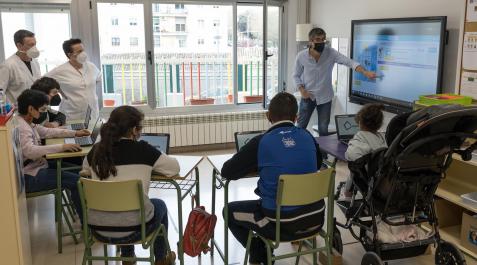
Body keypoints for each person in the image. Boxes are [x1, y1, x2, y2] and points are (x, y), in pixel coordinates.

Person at [221, 92, 324, 265]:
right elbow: (317, 164)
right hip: (315, 218)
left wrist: (258, 163)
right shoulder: (308, 137)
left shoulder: (262, 142)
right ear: (296, 117)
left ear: (268, 116)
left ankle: (260, 253)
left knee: (228, 211)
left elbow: (227, 171)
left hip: (280, 224)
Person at [81, 106, 179, 265]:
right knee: (158, 204)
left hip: (98, 229)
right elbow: (174, 168)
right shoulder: (144, 150)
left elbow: (85, 170)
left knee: (119, 207)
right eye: (140, 128)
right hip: (136, 230)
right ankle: (161, 259)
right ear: (134, 130)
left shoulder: (97, 151)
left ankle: (128, 258)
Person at [17, 89, 90, 221]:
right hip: (30, 176)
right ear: (30, 109)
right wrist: (62, 147)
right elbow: (30, 151)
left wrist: (75, 133)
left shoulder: (28, 123)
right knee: (77, 181)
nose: (43, 112)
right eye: (41, 109)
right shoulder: (22, 127)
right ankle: (87, 224)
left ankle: (88, 214)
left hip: (37, 167)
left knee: (80, 172)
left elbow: (48, 132)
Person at [293, 28, 377, 136]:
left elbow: (349, 62)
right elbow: (295, 75)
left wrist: (365, 72)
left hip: (325, 97)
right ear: (310, 41)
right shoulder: (301, 56)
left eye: (323, 39)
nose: (321, 42)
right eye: (318, 39)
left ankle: (322, 153)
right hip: (307, 97)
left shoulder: (330, 53)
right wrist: (302, 90)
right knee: (300, 127)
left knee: (323, 129)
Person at [46, 38, 101, 121]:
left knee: (93, 133)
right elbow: (41, 83)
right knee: (75, 134)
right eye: (79, 51)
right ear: (70, 55)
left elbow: (97, 79)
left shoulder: (91, 66)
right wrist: (59, 91)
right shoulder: (60, 70)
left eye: (83, 50)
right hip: (72, 115)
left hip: (93, 114)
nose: (83, 53)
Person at [342, 103, 387, 199]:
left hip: (371, 184)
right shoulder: (383, 138)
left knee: (354, 167)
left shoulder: (360, 137)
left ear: (360, 123)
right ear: (379, 125)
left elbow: (352, 159)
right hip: (385, 182)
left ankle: (347, 193)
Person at [0, 29, 41, 104]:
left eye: (35, 44)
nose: (34, 48)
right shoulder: (7, 66)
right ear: (19, 46)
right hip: (16, 112)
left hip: (35, 109)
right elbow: (0, 93)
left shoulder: (35, 62)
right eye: (31, 45)